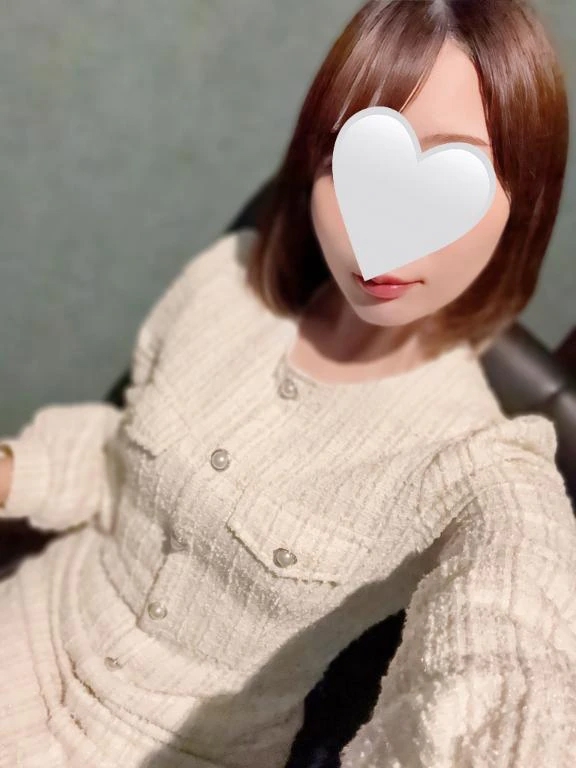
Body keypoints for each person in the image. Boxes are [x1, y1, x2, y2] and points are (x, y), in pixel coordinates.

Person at [1, 1, 575, 766]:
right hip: (29, 628)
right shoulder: (225, 282)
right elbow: (115, 454)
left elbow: (507, 664)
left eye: (449, 177)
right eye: (358, 164)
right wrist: (13, 470)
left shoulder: (481, 465)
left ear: (521, 203)